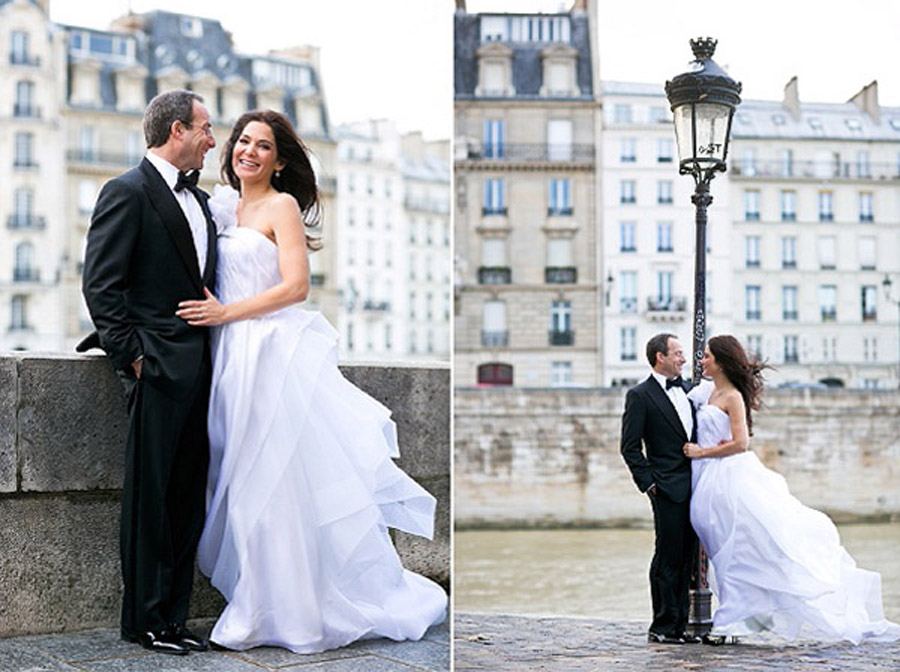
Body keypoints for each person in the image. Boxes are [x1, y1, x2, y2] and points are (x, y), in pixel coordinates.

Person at [176, 110, 447, 653]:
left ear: (279, 160)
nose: (249, 152)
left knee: (271, 483)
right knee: (236, 480)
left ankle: (282, 610)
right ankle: (257, 597)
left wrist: (227, 314)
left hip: (268, 355)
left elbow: (296, 287)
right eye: (243, 142)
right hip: (229, 359)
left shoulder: (281, 207)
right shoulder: (224, 207)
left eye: (263, 146)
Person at [79, 89, 218, 655]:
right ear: (178, 130)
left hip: (202, 368)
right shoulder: (126, 191)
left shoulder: (202, 200)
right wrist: (134, 358)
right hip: (156, 368)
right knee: (151, 501)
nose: (214, 140)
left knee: (187, 498)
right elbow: (101, 285)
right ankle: (144, 622)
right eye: (206, 129)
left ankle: (175, 618)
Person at [683, 335, 900, 644]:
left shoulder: (731, 396)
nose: (701, 361)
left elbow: (742, 443)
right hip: (707, 479)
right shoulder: (707, 391)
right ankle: (748, 616)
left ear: (721, 360)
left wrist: (701, 452)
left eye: (706, 357)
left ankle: (734, 620)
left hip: (728, 477)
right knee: (724, 546)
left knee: (739, 548)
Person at [620, 333, 701, 645]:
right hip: (666, 488)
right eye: (678, 353)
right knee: (667, 557)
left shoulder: (689, 390)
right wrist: (649, 484)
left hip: (695, 487)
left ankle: (681, 626)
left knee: (686, 557)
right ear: (660, 357)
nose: (683, 358)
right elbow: (629, 447)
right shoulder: (640, 396)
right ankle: (662, 626)